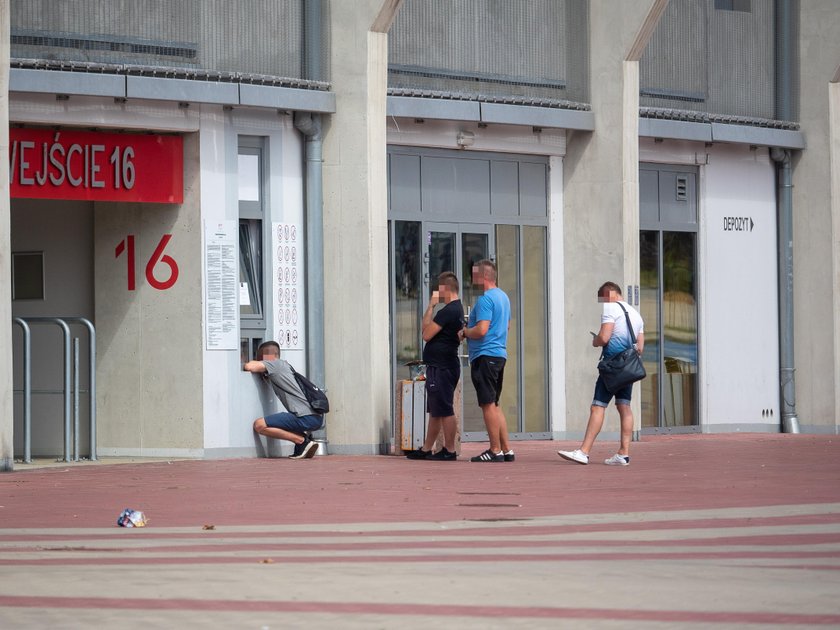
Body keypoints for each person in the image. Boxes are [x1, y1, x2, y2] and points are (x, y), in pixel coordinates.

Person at [558, 282, 645, 466]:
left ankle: (584, 452)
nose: (602, 302)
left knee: (598, 407)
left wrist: (595, 341)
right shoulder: (636, 314)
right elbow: (640, 347)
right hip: (627, 368)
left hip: (612, 367)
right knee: (624, 407)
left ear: (609, 294)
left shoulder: (611, 307)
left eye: (602, 298)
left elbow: (605, 337)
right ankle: (623, 453)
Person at [406, 271, 464, 461]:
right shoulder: (456, 309)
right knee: (436, 410)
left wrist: (431, 305)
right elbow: (430, 331)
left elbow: (426, 334)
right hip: (442, 365)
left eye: (439, 290)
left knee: (444, 409)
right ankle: (426, 448)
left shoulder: (448, 311)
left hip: (442, 367)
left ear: (445, 289)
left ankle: (449, 449)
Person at [462, 259, 514, 463]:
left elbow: (481, 330)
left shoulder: (485, 300)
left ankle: (494, 450)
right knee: (494, 404)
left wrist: (465, 331)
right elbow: (506, 326)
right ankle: (506, 449)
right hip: (499, 354)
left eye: (475, 275)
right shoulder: (503, 297)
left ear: (483, 276)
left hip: (485, 355)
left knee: (487, 404)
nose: (472, 279)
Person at [244, 341, 324, 459]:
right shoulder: (284, 366)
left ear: (266, 356)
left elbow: (249, 366)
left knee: (259, 425)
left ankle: (301, 441)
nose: (259, 359)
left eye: (259, 356)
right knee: (277, 422)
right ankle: (303, 445)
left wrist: (253, 361)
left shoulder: (274, 363)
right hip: (315, 417)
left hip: (305, 417)